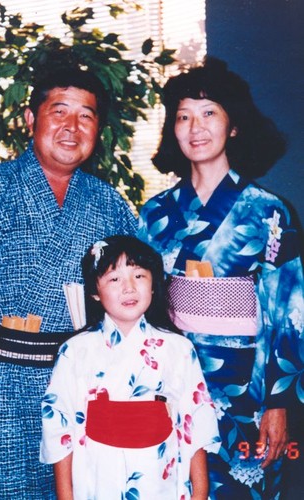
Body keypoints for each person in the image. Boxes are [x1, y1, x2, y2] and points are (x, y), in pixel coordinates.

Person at [0, 67, 137, 498]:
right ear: (29, 118)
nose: (72, 128)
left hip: (85, 383)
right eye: (59, 111)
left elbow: (135, 301)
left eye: (86, 117)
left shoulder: (109, 204)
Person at [137, 57, 304, 499]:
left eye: (209, 113)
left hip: (246, 392)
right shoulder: (154, 215)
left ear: (233, 126)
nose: (195, 127)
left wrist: (278, 403)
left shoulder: (269, 212)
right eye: (183, 116)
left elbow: (288, 313)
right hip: (169, 387)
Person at [40, 235, 221, 499]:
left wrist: (200, 492)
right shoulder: (75, 352)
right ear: (94, 292)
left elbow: (196, 422)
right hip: (97, 483)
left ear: (154, 285)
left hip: (160, 481)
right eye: (114, 279)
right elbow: (59, 428)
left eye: (139, 276)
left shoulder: (178, 349)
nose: (129, 288)